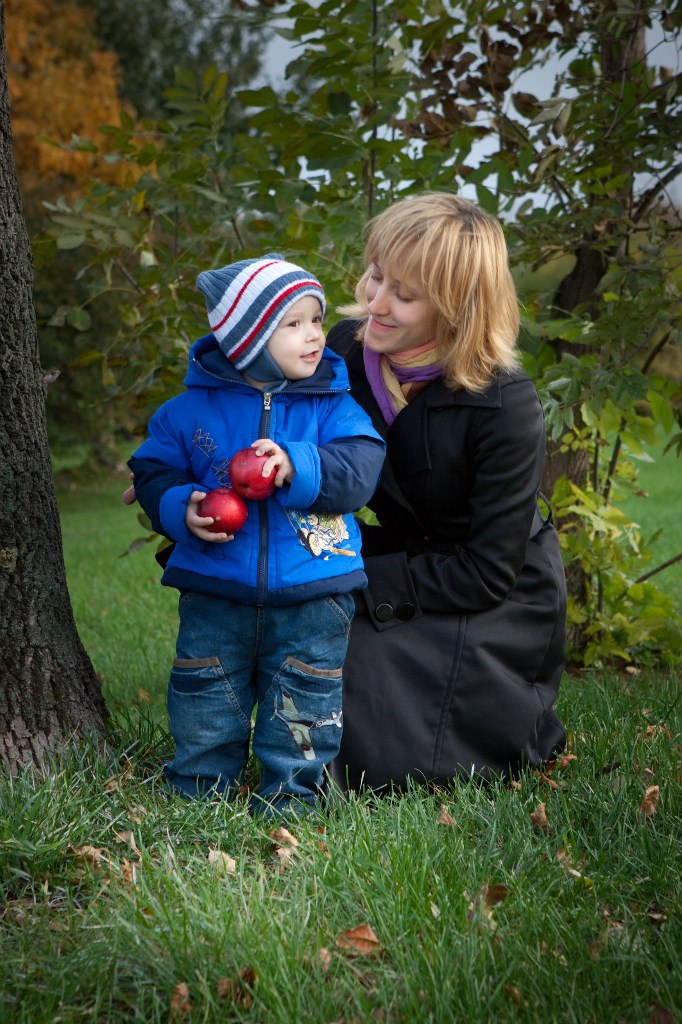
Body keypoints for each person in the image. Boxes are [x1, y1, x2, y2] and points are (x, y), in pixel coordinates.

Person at [326, 192, 567, 793]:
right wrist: (195, 475)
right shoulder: (345, 349)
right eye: (376, 275)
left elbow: (488, 572)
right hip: (402, 555)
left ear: (458, 307)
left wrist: (350, 580)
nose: (375, 303)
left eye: (404, 295)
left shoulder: (506, 403)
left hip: (493, 591)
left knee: (354, 665)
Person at [128, 254, 385, 817]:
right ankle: (200, 788)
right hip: (215, 587)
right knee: (205, 691)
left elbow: (361, 467)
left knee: (305, 697)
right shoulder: (188, 412)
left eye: (316, 320)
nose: (314, 335)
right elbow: (152, 470)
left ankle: (293, 795)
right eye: (293, 324)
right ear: (245, 340)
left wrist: (298, 463)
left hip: (314, 591)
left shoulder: (332, 405)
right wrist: (179, 506)